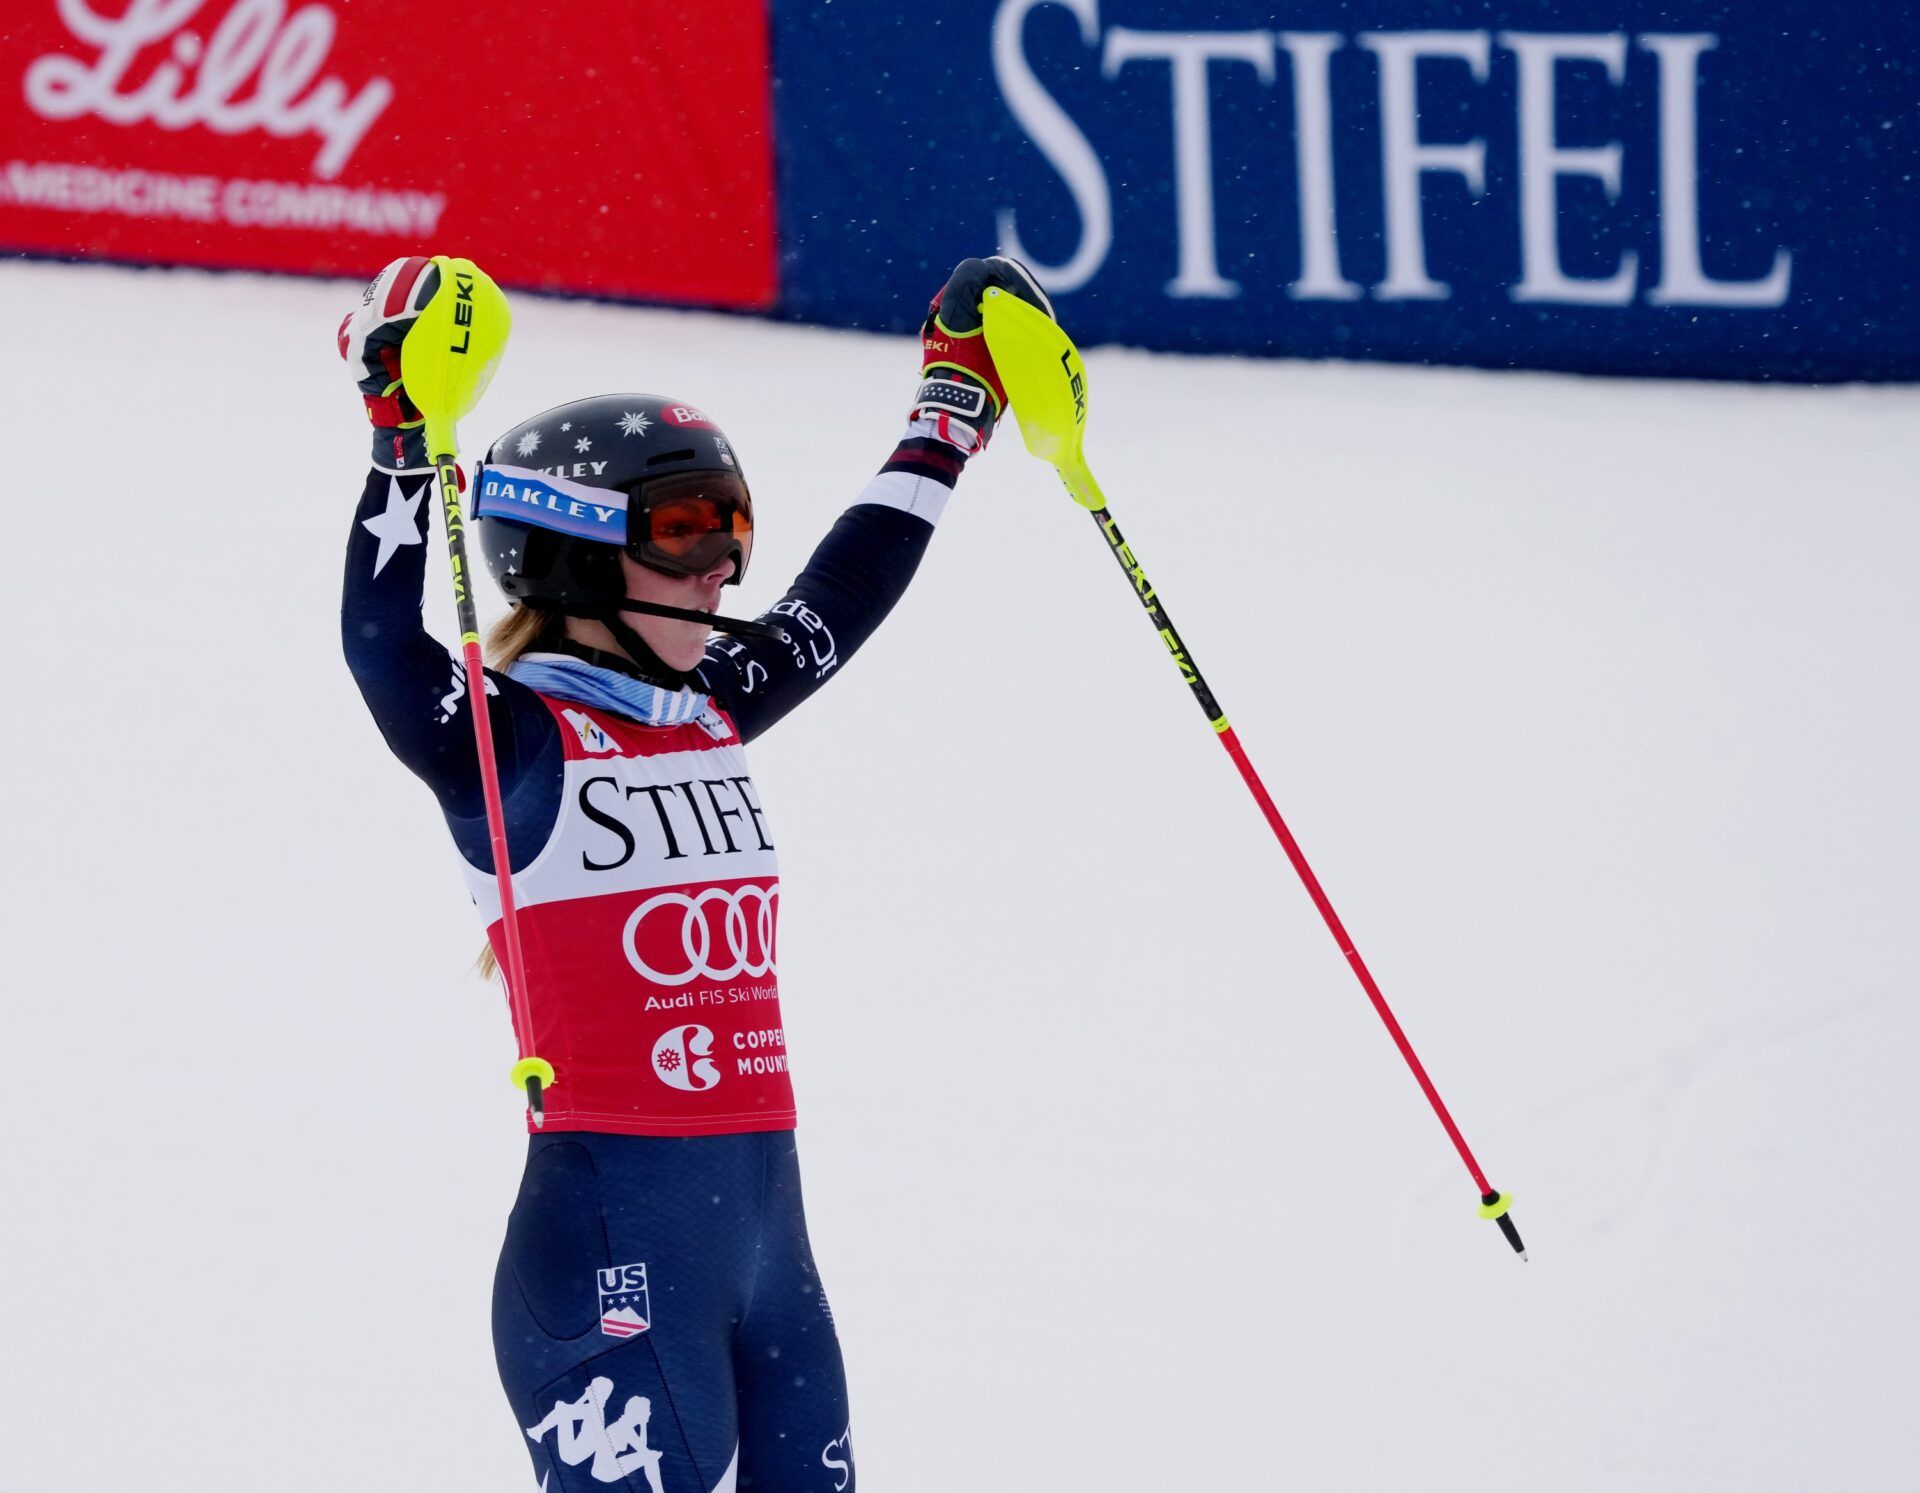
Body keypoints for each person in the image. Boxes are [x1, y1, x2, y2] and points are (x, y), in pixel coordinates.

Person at [340, 253, 1055, 1492]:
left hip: (771, 1245)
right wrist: (403, 445)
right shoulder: (512, 746)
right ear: (570, 555)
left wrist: (949, 411)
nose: (722, 563)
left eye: (731, 526)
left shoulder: (707, 709)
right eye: (681, 532)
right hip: (611, 1253)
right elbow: (382, 651)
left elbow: (846, 589)